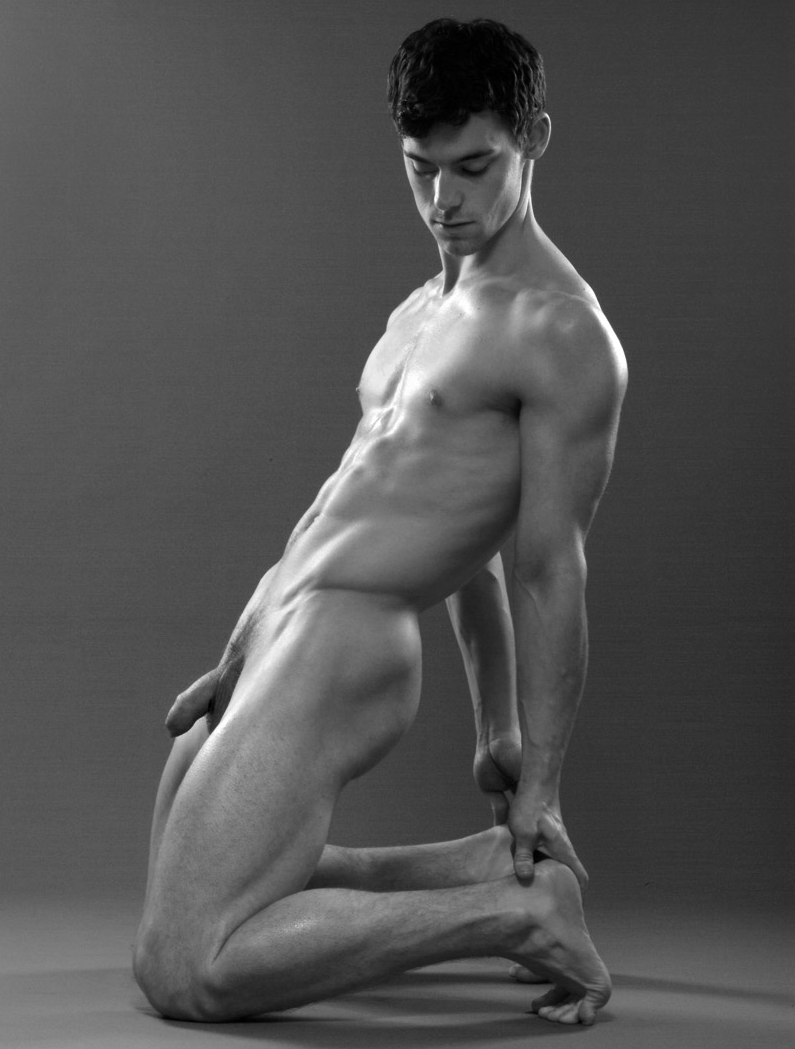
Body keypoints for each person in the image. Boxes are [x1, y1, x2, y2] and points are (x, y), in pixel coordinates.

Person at [133, 18, 627, 1027]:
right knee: (180, 900)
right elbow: (436, 528)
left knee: (185, 966)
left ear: (534, 136)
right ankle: (485, 869)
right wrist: (491, 731)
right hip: (278, 627)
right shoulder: (418, 312)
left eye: (473, 167)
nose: (444, 200)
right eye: (420, 167)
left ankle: (517, 915)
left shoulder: (560, 331)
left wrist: (540, 782)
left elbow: (547, 566)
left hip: (346, 642)